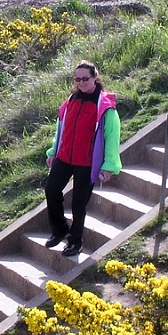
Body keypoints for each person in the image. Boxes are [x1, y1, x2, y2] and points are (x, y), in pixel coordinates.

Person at [44, 60, 122, 257]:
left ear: (95, 78)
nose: (81, 82)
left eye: (85, 78)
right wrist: (53, 152)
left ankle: (75, 242)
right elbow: (60, 129)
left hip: (87, 163)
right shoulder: (70, 100)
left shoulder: (105, 107)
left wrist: (109, 166)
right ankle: (60, 229)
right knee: (51, 190)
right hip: (64, 157)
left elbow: (111, 137)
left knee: (79, 204)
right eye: (78, 79)